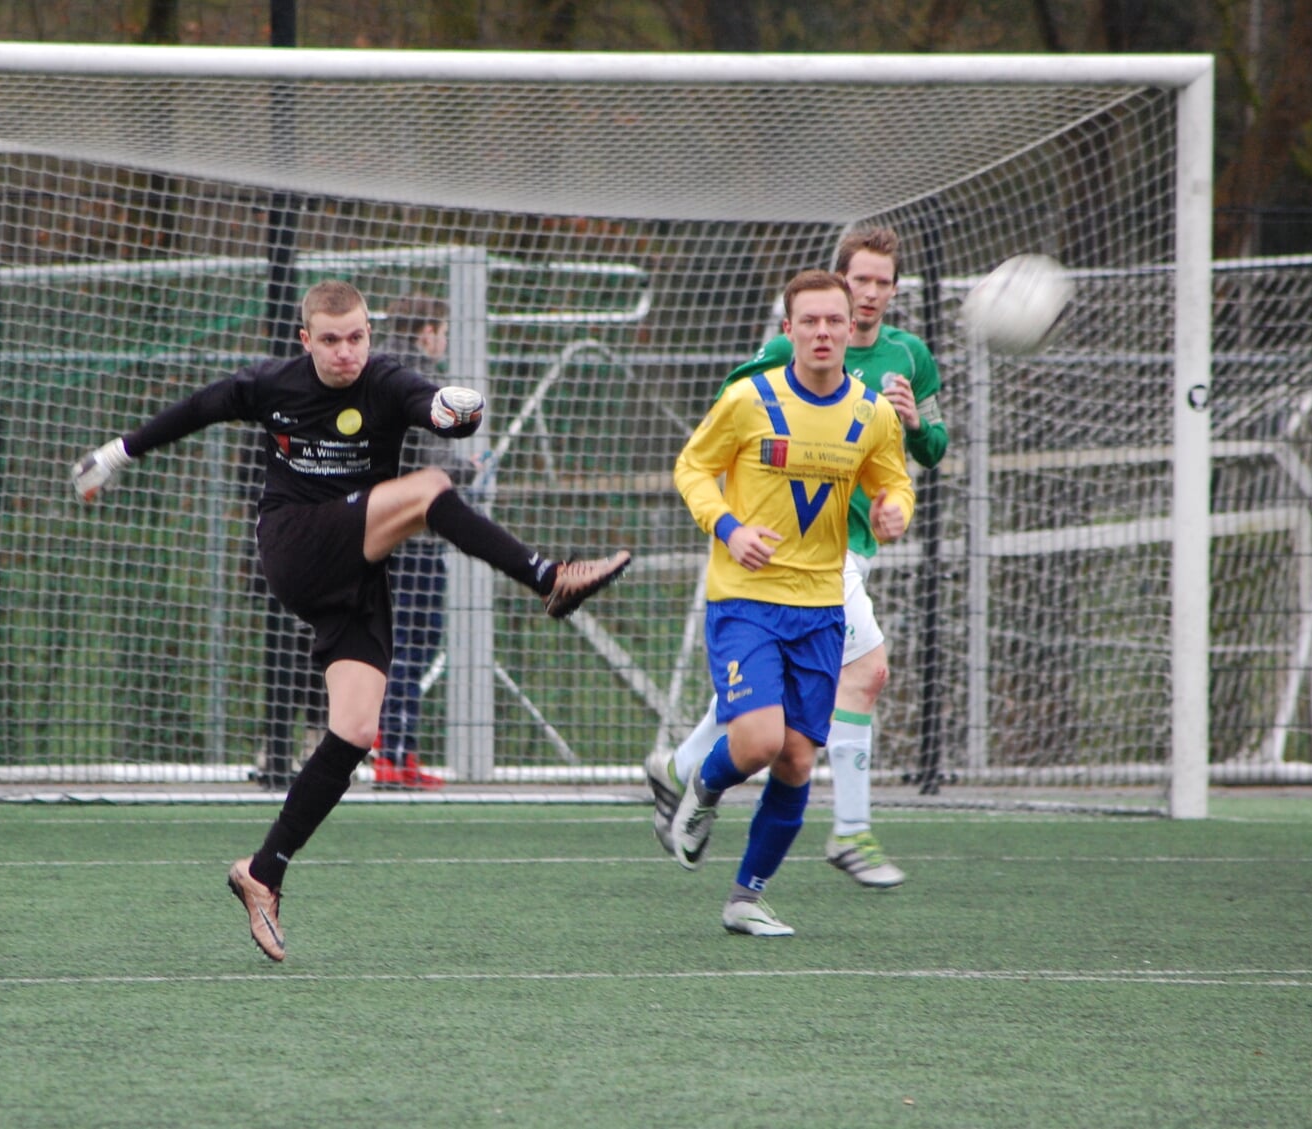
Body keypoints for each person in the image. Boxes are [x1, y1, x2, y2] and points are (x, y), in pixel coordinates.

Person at [72, 280, 631, 961]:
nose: (345, 352)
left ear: (370, 333)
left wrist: (456, 412)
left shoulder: (387, 379)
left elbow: (433, 408)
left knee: (356, 728)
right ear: (306, 341)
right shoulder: (273, 383)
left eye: (356, 337)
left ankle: (263, 870)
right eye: (330, 340)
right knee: (429, 491)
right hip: (297, 544)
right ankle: (548, 578)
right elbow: (199, 407)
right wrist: (115, 454)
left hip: (356, 570)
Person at [649, 226, 948, 888]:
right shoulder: (776, 367)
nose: (868, 294)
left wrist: (912, 440)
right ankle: (848, 829)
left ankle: (689, 780)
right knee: (861, 676)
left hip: (847, 556)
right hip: (782, 564)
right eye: (858, 279)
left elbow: (924, 453)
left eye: (880, 283)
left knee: (782, 738)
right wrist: (731, 523)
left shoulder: (906, 361)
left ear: (890, 294)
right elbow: (725, 426)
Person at [373, 295, 462, 790]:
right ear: (426, 331)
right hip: (411, 537)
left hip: (396, 536)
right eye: (442, 329)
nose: (444, 340)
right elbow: (425, 462)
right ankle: (390, 750)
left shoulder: (383, 374)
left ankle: (401, 752)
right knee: (409, 642)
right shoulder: (417, 382)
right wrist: (461, 475)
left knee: (411, 642)